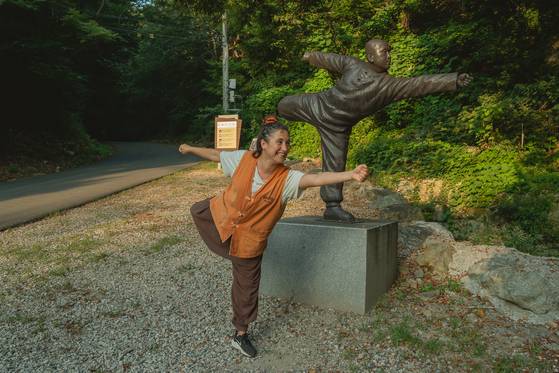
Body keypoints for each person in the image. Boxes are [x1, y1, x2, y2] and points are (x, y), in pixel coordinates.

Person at [179, 115, 368, 358]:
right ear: (263, 144)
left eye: (288, 143)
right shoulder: (244, 159)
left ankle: (240, 334)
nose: (285, 148)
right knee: (200, 209)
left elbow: (316, 179)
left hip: (250, 242)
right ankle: (230, 250)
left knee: (246, 287)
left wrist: (349, 174)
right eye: (280, 142)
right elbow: (217, 155)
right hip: (223, 217)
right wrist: (189, 148)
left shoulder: (288, 179)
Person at [277, 39, 473, 222]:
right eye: (384, 52)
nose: (388, 56)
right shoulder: (354, 65)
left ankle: (332, 206)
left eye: (389, 52)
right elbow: (330, 59)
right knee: (282, 105)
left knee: (335, 165)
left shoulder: (390, 85)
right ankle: (270, 128)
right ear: (371, 56)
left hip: (337, 127)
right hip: (317, 104)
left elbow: (420, 83)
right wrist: (310, 56)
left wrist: (452, 80)